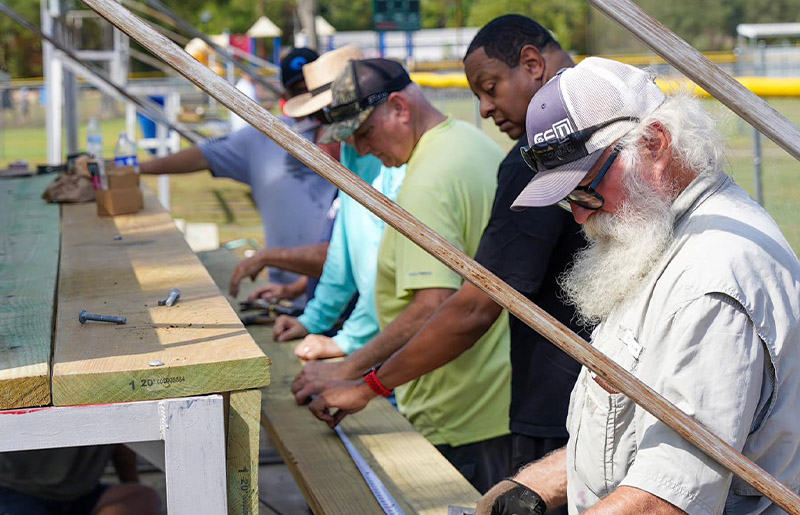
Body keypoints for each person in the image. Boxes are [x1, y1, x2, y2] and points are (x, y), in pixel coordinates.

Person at [478, 56, 800, 514]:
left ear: (654, 144)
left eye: (586, 188)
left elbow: (667, 499)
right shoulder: (655, 235)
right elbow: (636, 442)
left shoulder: (710, 281)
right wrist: (531, 485)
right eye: (567, 199)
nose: (580, 214)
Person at [307, 17, 588, 498]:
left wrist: (366, 381)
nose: (484, 108)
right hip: (562, 396)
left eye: (491, 87)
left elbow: (469, 305)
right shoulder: (479, 145)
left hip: (530, 409)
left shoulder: (530, 159)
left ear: (533, 64)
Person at [292, 58, 512, 493]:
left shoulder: (424, 184)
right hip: (498, 398)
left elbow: (431, 306)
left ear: (399, 107)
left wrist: (352, 374)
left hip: (456, 413)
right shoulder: (472, 144)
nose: (363, 148)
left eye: (365, 133)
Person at [229, 44, 408, 360]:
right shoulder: (354, 151)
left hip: (394, 342)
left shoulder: (392, 159)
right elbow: (343, 252)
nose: (323, 123)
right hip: (374, 337)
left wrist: (346, 341)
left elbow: (390, 265)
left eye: (326, 112)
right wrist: (314, 320)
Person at [140, 47, 336, 307]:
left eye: (316, 92)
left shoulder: (360, 147)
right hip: (296, 294)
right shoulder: (267, 135)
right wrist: (134, 169)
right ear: (287, 97)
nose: (316, 111)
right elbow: (203, 155)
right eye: (300, 92)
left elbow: (351, 254)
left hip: (338, 300)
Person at [0, 445, 160, 515]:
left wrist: (130, 484)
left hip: (81, 495)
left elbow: (124, 445)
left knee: (142, 498)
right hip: (17, 491)